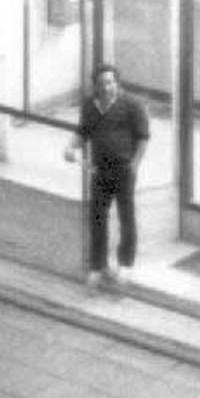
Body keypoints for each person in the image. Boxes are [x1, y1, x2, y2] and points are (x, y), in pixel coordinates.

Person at [65, 62, 149, 289]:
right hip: (99, 170)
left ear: (117, 83)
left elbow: (143, 137)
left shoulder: (132, 105)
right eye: (102, 83)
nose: (107, 87)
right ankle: (98, 266)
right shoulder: (89, 106)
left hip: (123, 170)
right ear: (96, 86)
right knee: (98, 217)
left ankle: (126, 264)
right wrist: (71, 147)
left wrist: (135, 164)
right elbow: (83, 132)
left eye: (110, 82)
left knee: (126, 216)